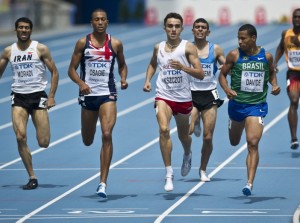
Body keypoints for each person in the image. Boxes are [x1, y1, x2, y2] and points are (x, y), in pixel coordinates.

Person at [68, 8, 128, 199]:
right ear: (92, 23)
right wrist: (81, 83)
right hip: (88, 96)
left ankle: (102, 183)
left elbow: (122, 65)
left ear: (107, 22)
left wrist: (123, 78)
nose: (100, 22)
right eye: (96, 19)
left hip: (107, 93)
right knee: (88, 140)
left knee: (107, 134)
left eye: (103, 19)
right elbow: (71, 70)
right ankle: (101, 178)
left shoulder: (115, 43)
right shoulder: (82, 43)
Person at [143, 12, 204, 192]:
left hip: (183, 98)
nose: (173, 29)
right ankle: (169, 173)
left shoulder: (188, 48)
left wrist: (183, 67)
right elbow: (153, 64)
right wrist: (148, 80)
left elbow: (200, 73)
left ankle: (187, 153)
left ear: (181, 28)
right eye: (170, 26)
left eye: (177, 26)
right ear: (165, 28)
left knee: (184, 136)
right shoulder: (158, 47)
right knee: (163, 129)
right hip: (163, 95)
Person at [218, 24, 280, 196]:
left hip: (256, 106)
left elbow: (272, 72)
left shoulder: (266, 56)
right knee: (234, 142)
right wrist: (227, 90)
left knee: (252, 143)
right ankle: (232, 122)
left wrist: (274, 85)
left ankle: (249, 183)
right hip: (237, 105)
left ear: (253, 38)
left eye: (243, 38)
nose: (240, 41)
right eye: (238, 38)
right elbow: (222, 75)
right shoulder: (234, 55)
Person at [0, 17, 59, 190]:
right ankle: (32, 176)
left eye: (26, 28)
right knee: (20, 136)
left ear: (31, 30)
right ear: (16, 30)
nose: (24, 30)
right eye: (20, 28)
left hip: (38, 96)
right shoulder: (8, 51)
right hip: (18, 97)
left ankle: (42, 130)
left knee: (44, 142)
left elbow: (54, 72)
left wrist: (51, 96)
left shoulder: (40, 49)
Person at [189, 18, 225, 182]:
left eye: (203, 28)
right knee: (188, 131)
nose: (200, 30)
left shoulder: (215, 49)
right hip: (190, 94)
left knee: (208, 137)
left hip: (209, 94)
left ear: (208, 32)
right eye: (197, 27)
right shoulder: (186, 48)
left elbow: (227, 66)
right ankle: (194, 124)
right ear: (193, 30)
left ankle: (203, 170)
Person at [274, 8, 300, 150]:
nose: (297, 19)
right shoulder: (286, 34)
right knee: (294, 101)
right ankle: (294, 138)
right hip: (294, 74)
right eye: (295, 17)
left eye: (299, 17)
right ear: (292, 18)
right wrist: (274, 63)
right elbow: (280, 48)